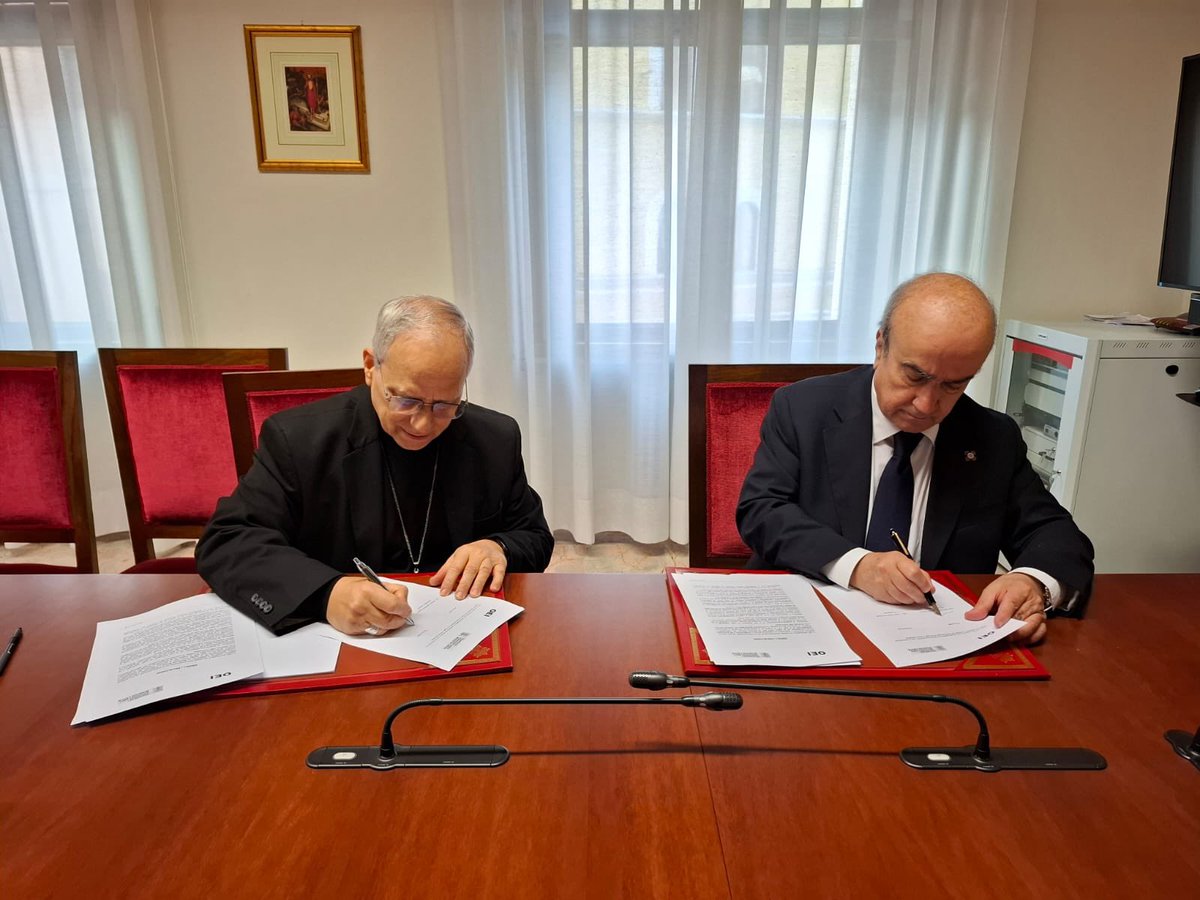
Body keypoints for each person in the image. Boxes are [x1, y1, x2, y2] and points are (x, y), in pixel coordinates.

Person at [736, 273, 1094, 644]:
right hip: (806, 624)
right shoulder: (803, 409)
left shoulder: (991, 437)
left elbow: (1056, 535)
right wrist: (857, 566)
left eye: (952, 385)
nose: (926, 404)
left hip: (933, 641)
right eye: (914, 376)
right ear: (880, 347)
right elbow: (762, 510)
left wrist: (1033, 582)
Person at [197, 295, 554, 636]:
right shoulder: (299, 440)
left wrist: (498, 547)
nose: (423, 425)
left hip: (458, 635)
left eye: (445, 405)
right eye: (407, 400)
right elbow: (228, 541)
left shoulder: (494, 437)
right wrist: (326, 594)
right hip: (342, 640)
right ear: (371, 367)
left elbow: (534, 536)